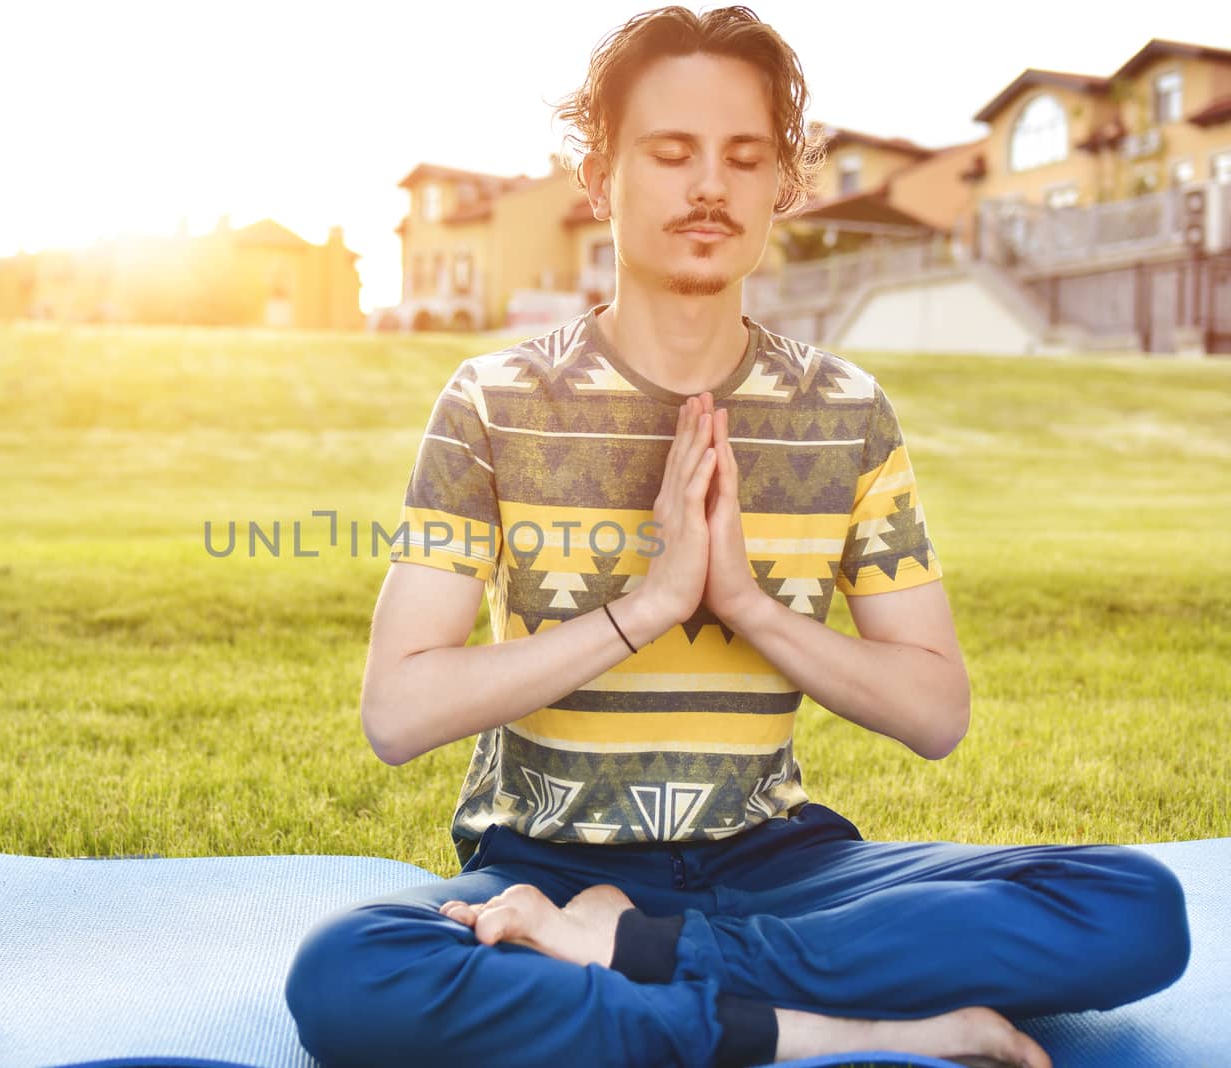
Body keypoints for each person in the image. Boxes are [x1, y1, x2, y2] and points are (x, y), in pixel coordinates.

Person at [283, 6, 1190, 1066]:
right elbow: (398, 712)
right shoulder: (490, 400)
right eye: (671, 154)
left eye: (743, 157)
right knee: (351, 971)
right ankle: (798, 1024)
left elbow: (935, 712)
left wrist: (746, 604)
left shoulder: (846, 409)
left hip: (782, 867)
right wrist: (651, 606)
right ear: (598, 176)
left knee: (1129, 906)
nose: (709, 186)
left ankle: (627, 962)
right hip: (549, 865)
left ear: (780, 186)